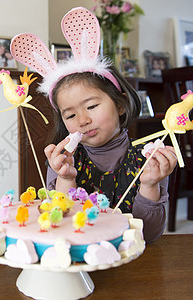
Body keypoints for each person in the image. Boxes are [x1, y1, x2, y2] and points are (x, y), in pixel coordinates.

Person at [44, 66, 177, 243]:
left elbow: (148, 236)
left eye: (91, 106)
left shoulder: (149, 160)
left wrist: (150, 185)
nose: (83, 120)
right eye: (70, 116)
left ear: (120, 105)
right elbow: (62, 227)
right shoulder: (63, 162)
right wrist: (66, 179)